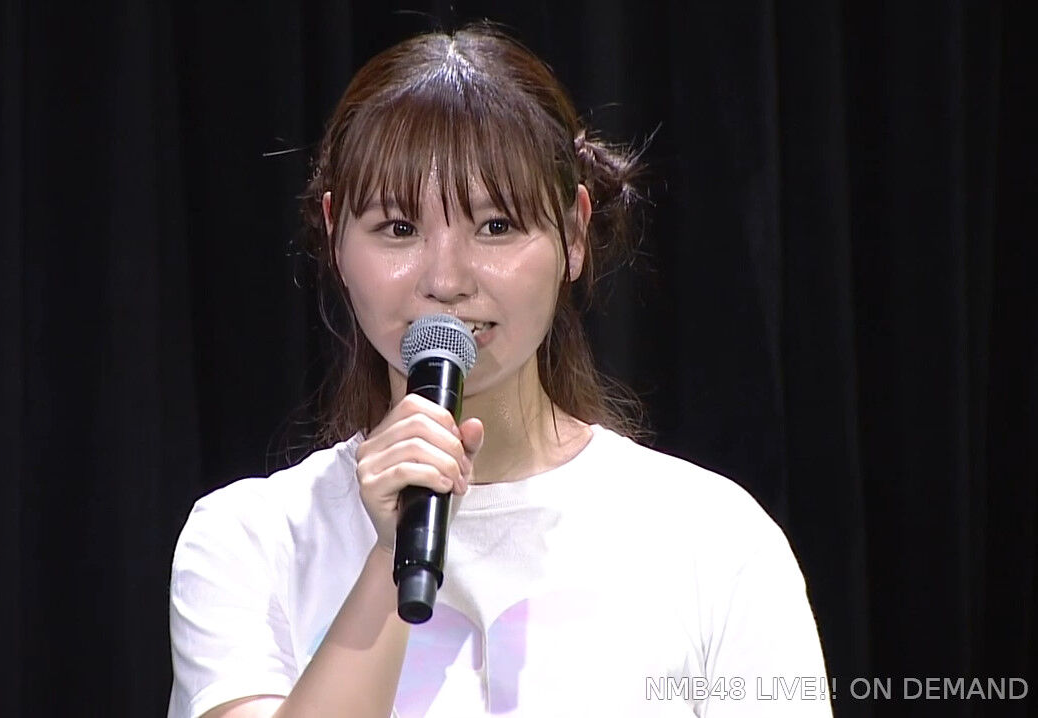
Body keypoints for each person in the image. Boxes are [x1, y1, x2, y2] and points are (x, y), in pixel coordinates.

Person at [168, 24, 831, 718]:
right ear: (335, 234)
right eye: (399, 229)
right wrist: (389, 560)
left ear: (574, 232)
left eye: (496, 226)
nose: (446, 279)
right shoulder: (248, 542)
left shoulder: (711, 539)